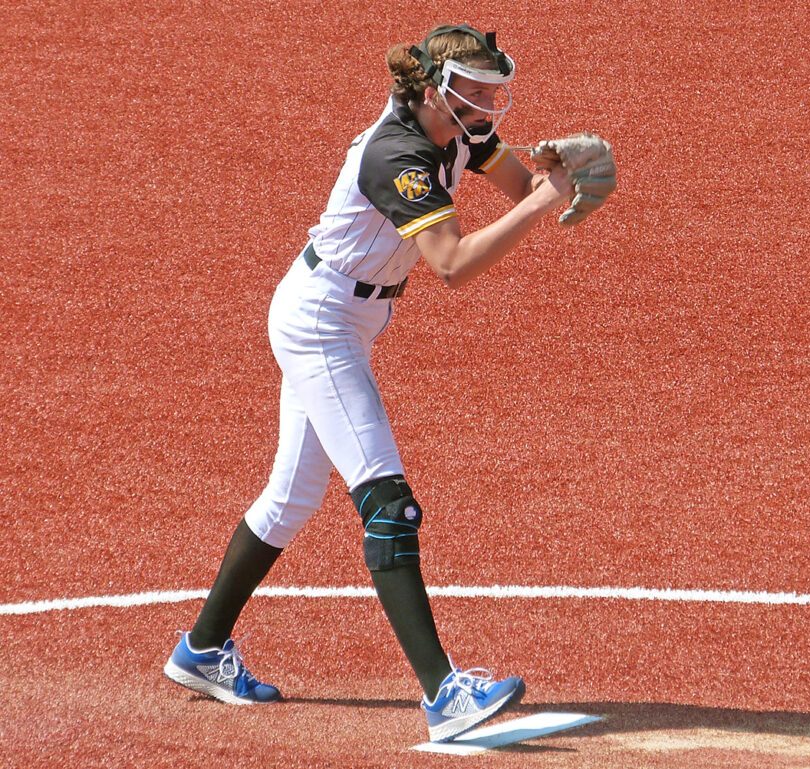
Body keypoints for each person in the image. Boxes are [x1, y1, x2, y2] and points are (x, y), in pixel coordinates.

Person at [163, 23, 614, 743]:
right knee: (389, 505)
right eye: (475, 87)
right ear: (435, 87)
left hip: (348, 318)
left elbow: (527, 188)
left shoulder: (458, 131)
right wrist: (538, 202)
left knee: (290, 497)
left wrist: (564, 184)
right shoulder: (395, 152)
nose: (489, 99)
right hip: (322, 322)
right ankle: (445, 694)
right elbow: (454, 263)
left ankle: (203, 649)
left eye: (493, 87)